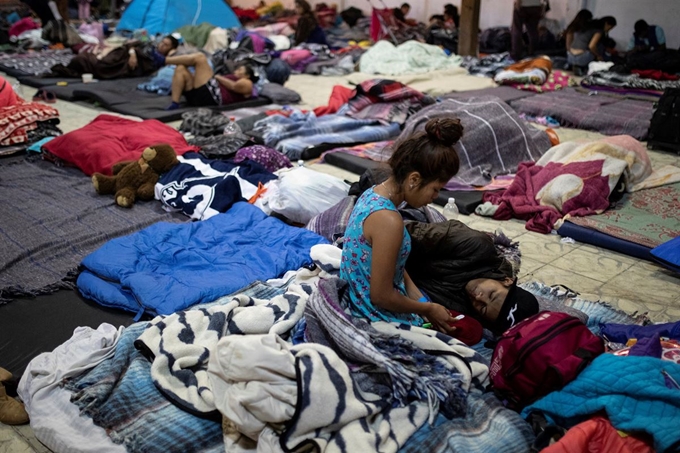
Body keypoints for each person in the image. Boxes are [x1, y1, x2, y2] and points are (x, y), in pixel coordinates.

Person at [339, 118, 463, 335]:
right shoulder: (388, 220)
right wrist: (428, 308)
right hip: (371, 316)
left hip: (366, 299)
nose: (434, 198)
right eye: (435, 189)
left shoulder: (373, 192)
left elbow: (391, 265)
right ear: (414, 179)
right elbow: (381, 296)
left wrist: (423, 302)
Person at [164, 53, 257, 110]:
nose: (237, 71)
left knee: (200, 58)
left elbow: (234, 87)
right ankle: (174, 103)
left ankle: (164, 60)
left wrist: (218, 77)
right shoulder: (232, 76)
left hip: (214, 98)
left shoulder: (248, 83)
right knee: (180, 68)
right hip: (201, 96)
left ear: (248, 75)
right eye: (237, 69)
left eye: (241, 70)